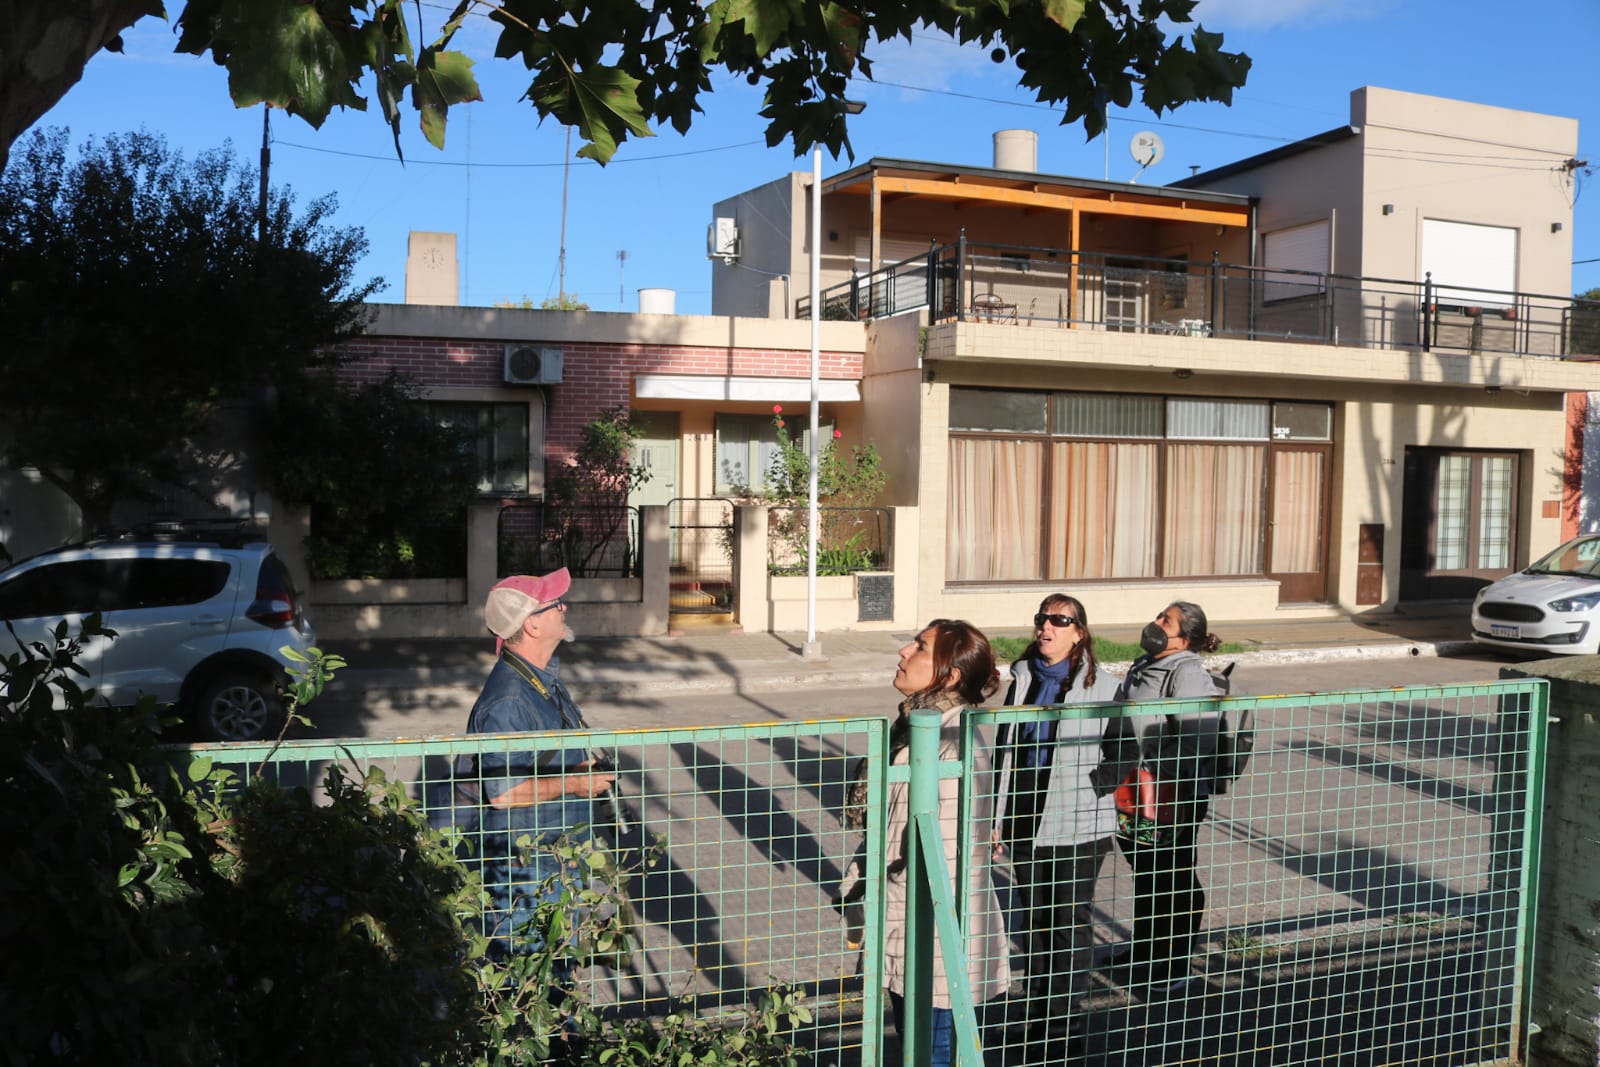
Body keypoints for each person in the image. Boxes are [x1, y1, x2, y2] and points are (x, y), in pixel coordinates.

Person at [837, 620, 1012, 1067]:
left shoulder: (953, 744)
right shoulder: (917, 726)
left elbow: (945, 859)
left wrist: (882, 890)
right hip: (908, 920)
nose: (903, 652)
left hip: (934, 935)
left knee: (932, 1052)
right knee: (915, 1045)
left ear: (950, 675)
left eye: (920, 647)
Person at [467, 569, 617, 960]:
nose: (564, 608)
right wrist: (575, 784)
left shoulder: (541, 678)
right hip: (526, 872)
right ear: (531, 625)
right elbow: (503, 794)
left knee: (558, 968)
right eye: (555, 604)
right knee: (530, 971)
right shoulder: (509, 700)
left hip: (553, 858)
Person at [990, 594, 1120, 1035]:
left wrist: (1090, 787)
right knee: (1035, 917)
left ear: (1079, 633)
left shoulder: (1104, 687)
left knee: (1067, 919)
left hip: (1079, 821)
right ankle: (1039, 1010)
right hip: (1026, 813)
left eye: (1060, 620)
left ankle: (1064, 1019)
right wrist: (997, 815)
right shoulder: (1023, 678)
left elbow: (1126, 747)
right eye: (1042, 618)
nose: (1047, 627)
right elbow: (1006, 751)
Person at [1102, 600, 1225, 994]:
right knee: (1147, 869)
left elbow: (1199, 739)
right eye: (1159, 615)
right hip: (1135, 790)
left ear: (1183, 639)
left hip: (1172, 794)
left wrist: (1155, 769)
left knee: (1173, 874)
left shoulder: (1186, 672)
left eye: (1166, 621)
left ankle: (1173, 964)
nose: (1155, 622)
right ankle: (1146, 949)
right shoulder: (1145, 664)